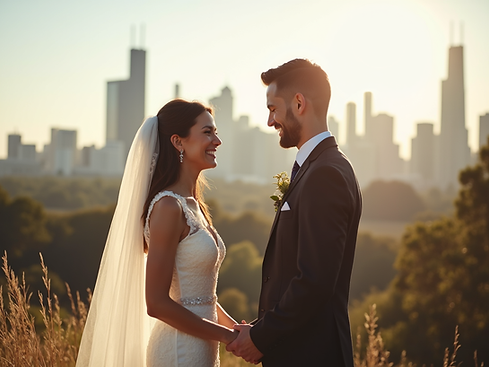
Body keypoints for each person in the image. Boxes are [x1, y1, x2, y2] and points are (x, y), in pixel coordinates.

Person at [76, 99, 238, 367]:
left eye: (216, 132)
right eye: (207, 132)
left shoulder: (193, 205)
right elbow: (157, 303)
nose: (217, 140)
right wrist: (228, 336)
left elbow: (202, 296)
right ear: (178, 142)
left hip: (202, 349)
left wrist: (240, 332)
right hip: (178, 350)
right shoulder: (168, 207)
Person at [227, 59, 362, 366]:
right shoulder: (318, 167)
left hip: (311, 355)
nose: (270, 121)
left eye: (273, 109)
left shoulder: (325, 174)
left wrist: (261, 338)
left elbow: (314, 281)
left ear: (299, 103)